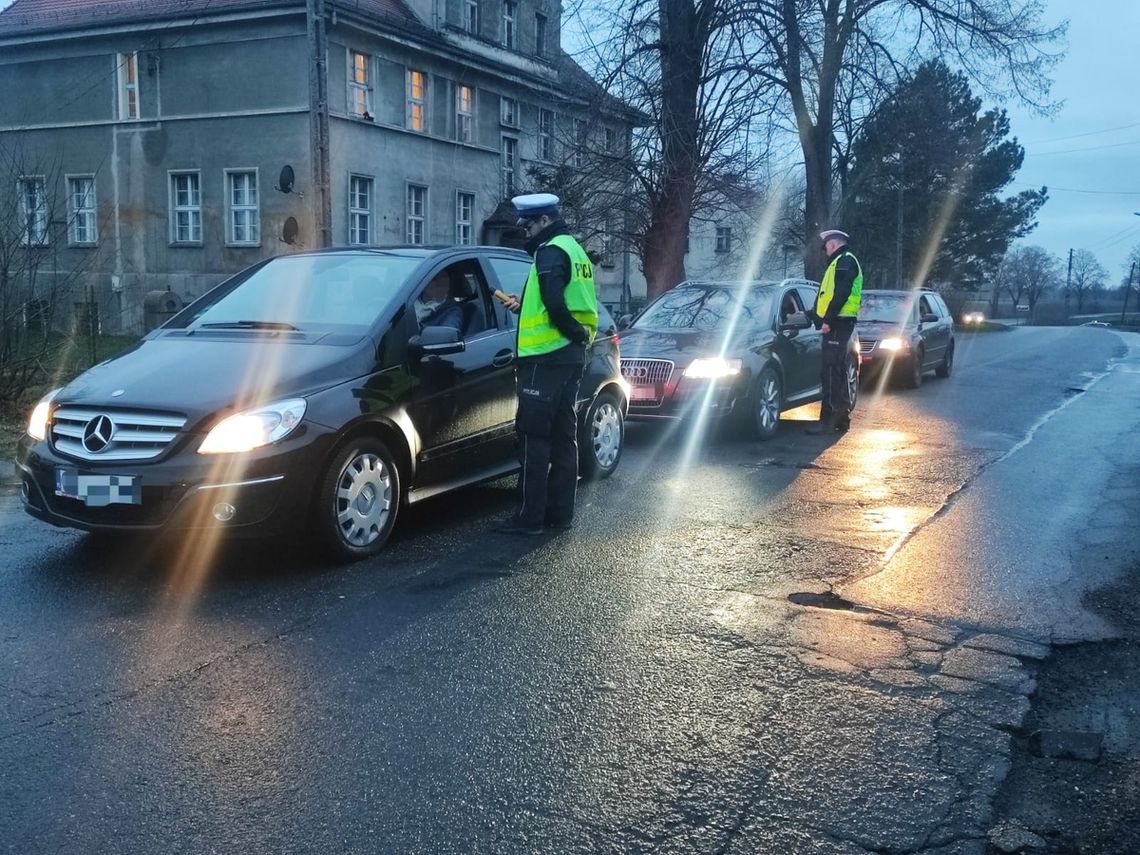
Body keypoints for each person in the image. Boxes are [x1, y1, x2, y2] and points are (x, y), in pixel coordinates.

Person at [495, 193, 598, 535]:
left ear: (543, 221)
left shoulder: (550, 252)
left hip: (546, 359)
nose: (525, 234)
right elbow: (559, 297)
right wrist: (523, 304)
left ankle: (530, 519)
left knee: (534, 440)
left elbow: (555, 304)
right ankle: (560, 515)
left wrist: (574, 333)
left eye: (528, 226)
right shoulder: (574, 250)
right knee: (564, 437)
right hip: (568, 361)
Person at [807, 228, 863, 435]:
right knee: (837, 371)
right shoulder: (843, 261)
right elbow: (828, 295)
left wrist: (828, 320)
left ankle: (829, 420)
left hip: (838, 324)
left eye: (826, 248)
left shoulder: (844, 261)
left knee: (831, 373)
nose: (825, 252)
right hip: (840, 324)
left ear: (832, 244)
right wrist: (812, 315)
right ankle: (840, 420)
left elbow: (840, 293)